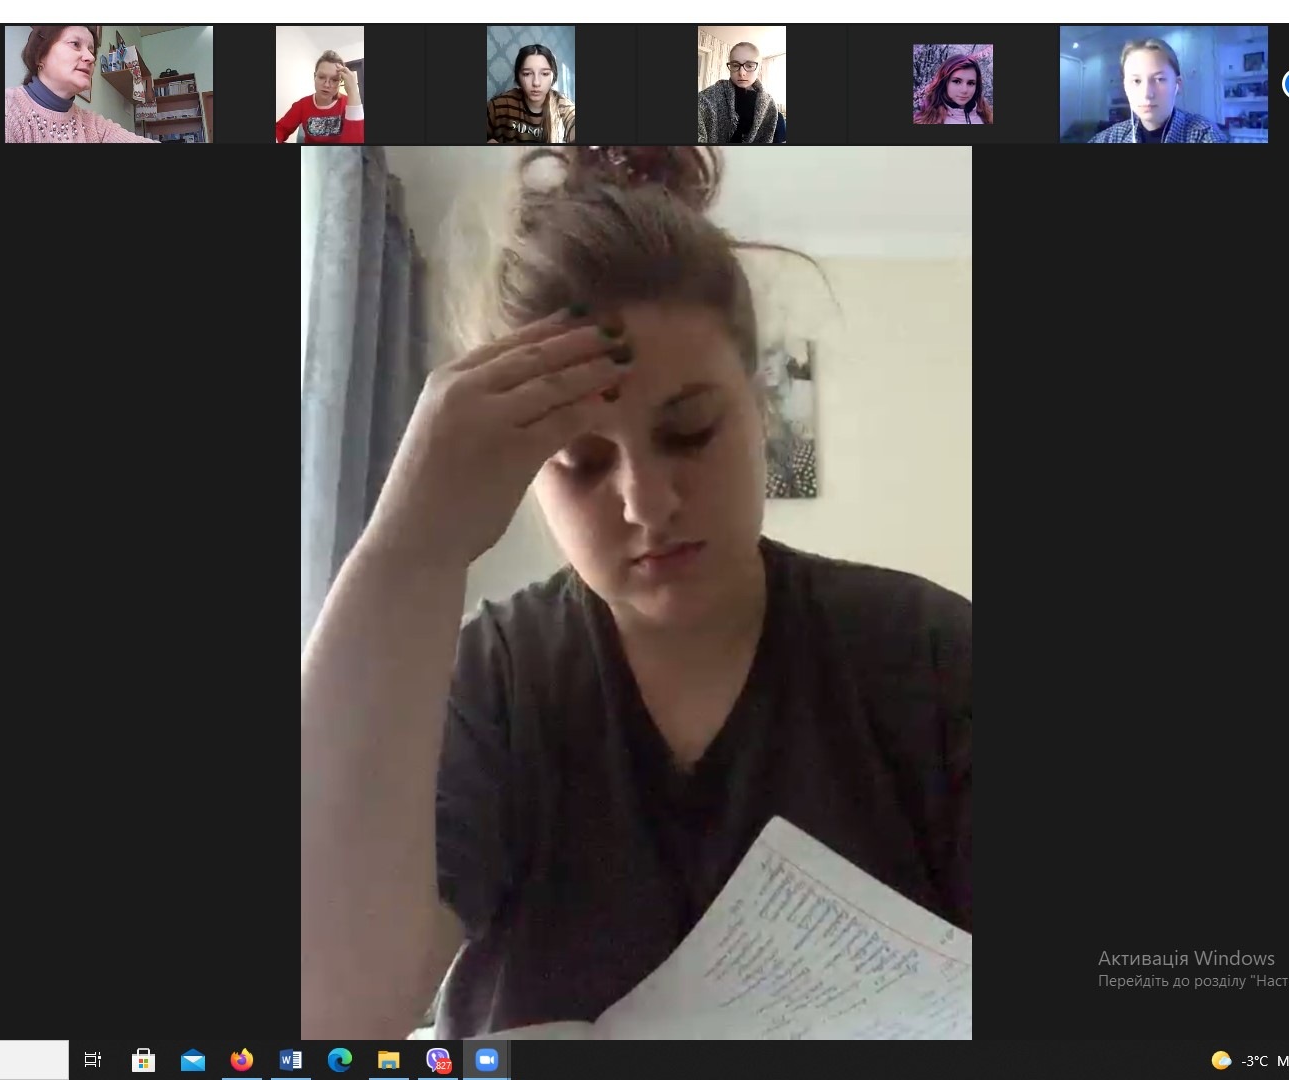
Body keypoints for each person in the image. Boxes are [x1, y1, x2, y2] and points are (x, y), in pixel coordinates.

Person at [300, 145, 971, 1039]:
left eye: (690, 432)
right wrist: (407, 547)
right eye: (580, 460)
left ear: (759, 410)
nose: (647, 504)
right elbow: (327, 1017)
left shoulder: (928, 653)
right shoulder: (490, 683)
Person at [5, 25, 157, 143]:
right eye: (75, 44)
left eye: (91, 50)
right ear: (40, 55)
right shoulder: (9, 109)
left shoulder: (92, 124)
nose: (91, 58)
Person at [1090, 38, 1226, 143]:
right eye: (1136, 81)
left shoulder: (1203, 135)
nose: (1147, 94)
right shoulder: (1111, 138)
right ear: (1126, 87)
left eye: (1159, 79)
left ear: (1177, 84)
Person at [697, 42, 786, 144]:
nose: (742, 73)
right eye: (735, 65)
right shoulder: (709, 97)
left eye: (749, 66)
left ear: (759, 68)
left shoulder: (772, 110)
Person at [485, 44, 577, 144]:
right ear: (518, 76)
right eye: (527, 74)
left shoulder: (562, 106)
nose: (536, 83)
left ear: (553, 76)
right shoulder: (500, 106)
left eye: (545, 74)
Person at [276, 50, 365, 144]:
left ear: (340, 82)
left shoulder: (349, 104)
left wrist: (353, 91)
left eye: (334, 80)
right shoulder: (302, 105)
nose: (327, 85)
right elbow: (280, 129)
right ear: (314, 77)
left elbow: (355, 145)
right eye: (321, 77)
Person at [914, 52, 993, 125]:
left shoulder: (987, 118)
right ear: (944, 83)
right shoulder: (926, 121)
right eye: (956, 81)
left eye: (970, 83)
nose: (964, 90)